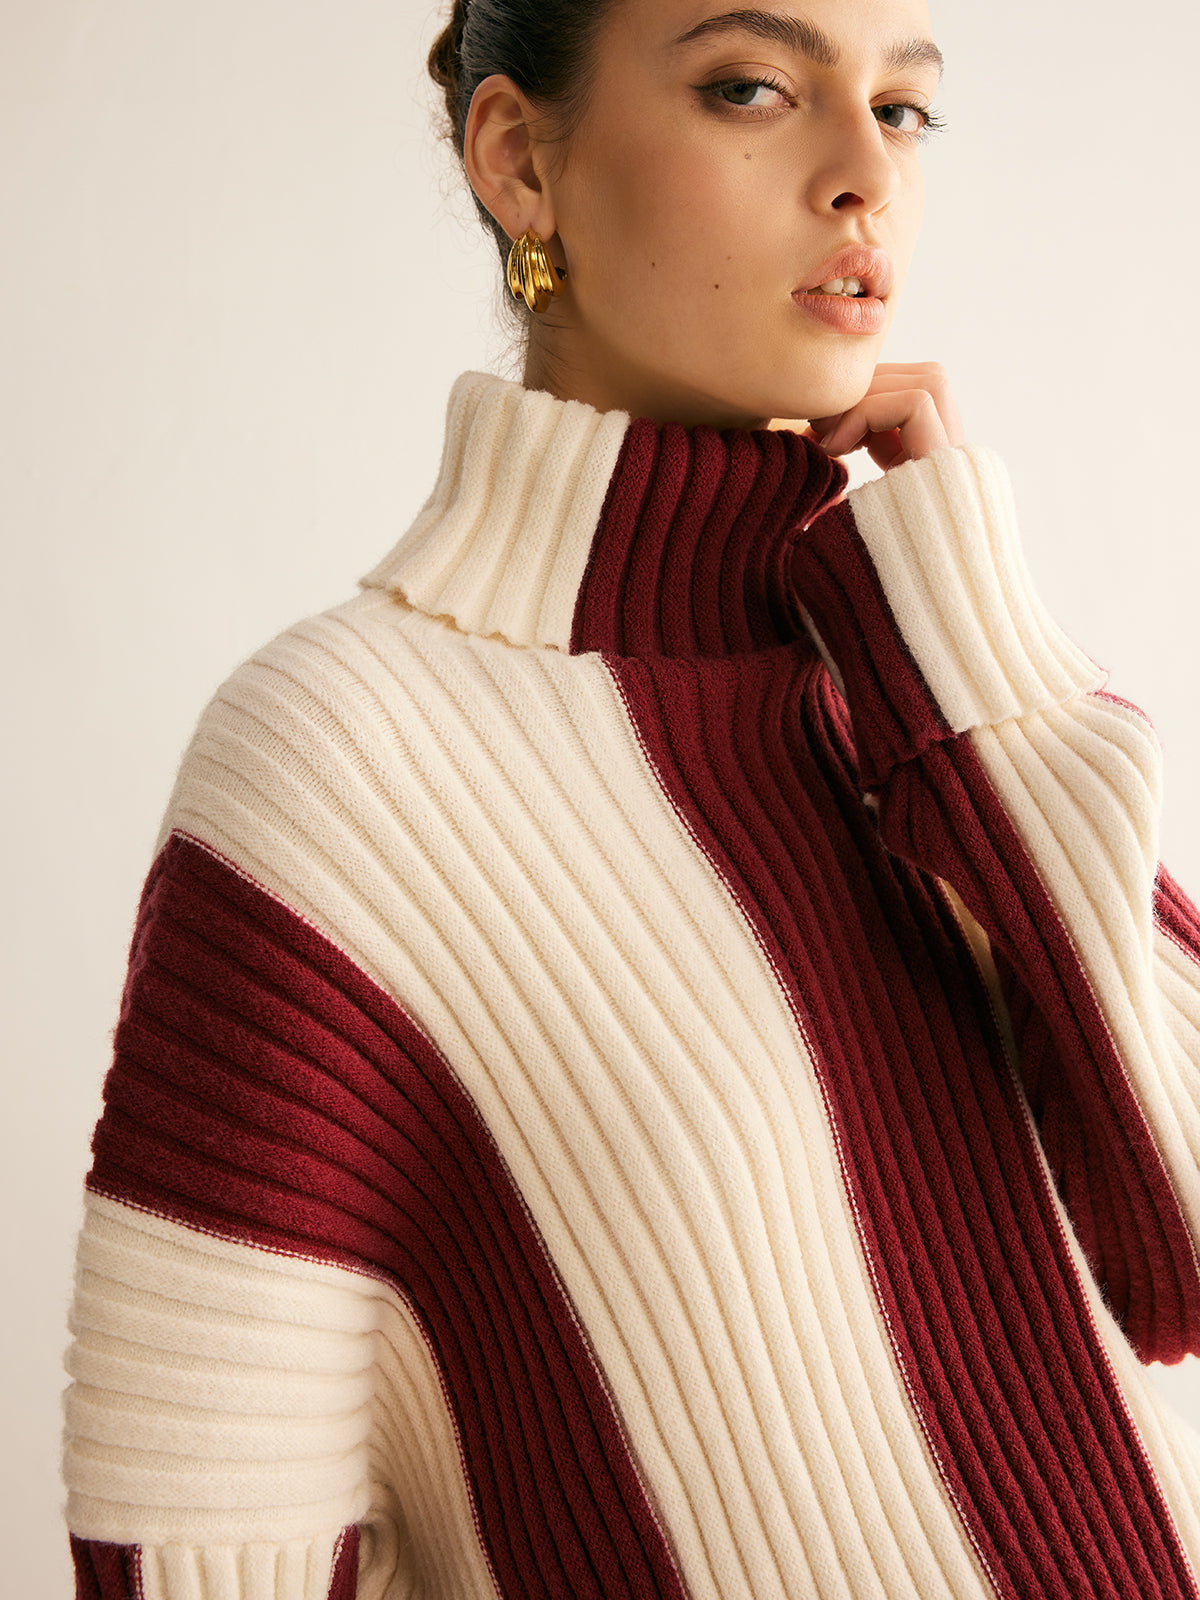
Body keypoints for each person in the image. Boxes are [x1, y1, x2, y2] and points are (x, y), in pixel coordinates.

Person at [61, 0, 1200, 1596]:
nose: (867, 174)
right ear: (521, 162)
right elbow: (195, 1542)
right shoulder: (340, 763)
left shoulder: (917, 694)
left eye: (904, 109)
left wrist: (973, 638)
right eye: (754, 88)